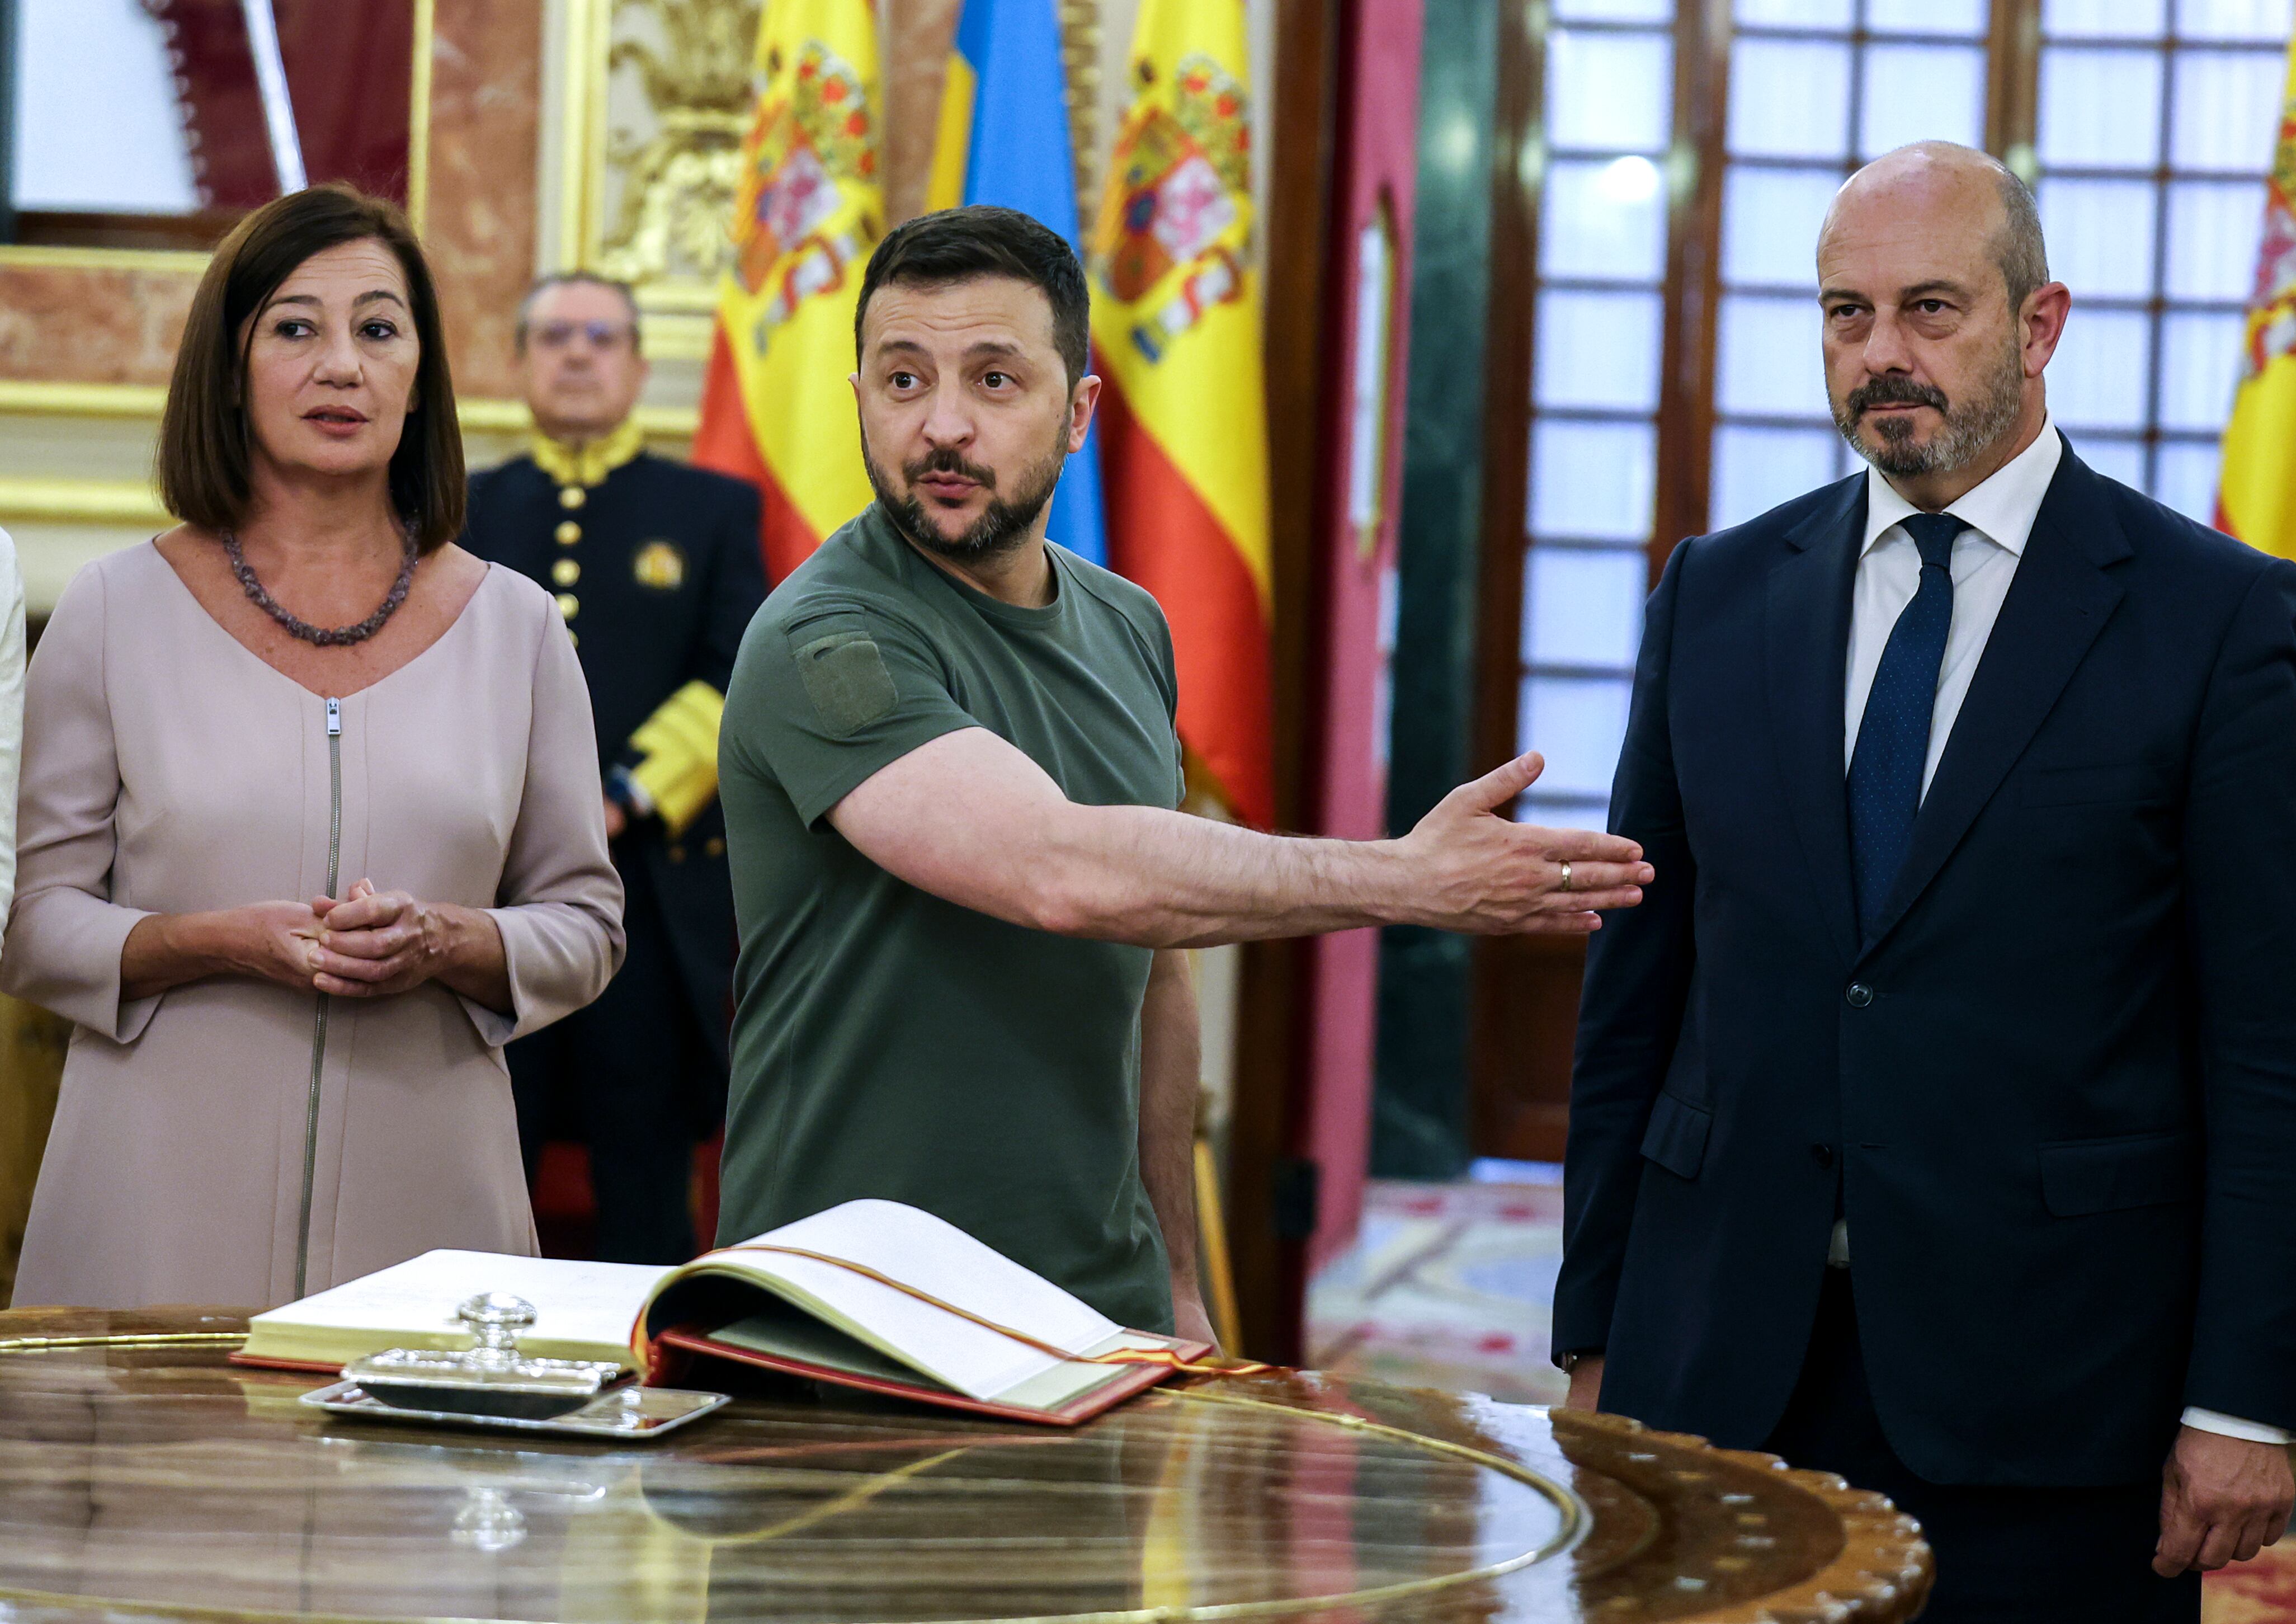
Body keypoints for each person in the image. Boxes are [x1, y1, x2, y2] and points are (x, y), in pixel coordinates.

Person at [1552, 142, 2296, 1622]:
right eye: (1843, 316)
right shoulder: (1714, 595)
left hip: (2051, 1388)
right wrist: (1592, 1324)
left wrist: (2242, 1401)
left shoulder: (2210, 620)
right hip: (1722, 1357)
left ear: (2037, 325)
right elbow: (1638, 998)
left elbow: (2277, 1048)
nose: (1881, 357)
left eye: (1929, 310)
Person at [719, 205, 1652, 1347]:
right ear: (858, 398)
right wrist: (1404, 880)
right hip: (846, 1318)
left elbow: (1155, 979)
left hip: (1089, 1317)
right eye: (903, 380)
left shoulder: (1128, 627)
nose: (942, 426)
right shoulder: (824, 639)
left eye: (994, 381)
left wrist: (1176, 1282)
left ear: (1078, 413)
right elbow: (1059, 872)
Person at [1, 184, 626, 1310]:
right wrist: (211, 941)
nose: (343, 364)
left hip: (434, 1232)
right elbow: (34, 923)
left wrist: (451, 938)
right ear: (228, 368)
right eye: (296, 328)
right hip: (150, 1215)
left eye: (379, 330)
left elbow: (585, 925)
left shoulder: (518, 626)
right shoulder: (111, 610)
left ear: (419, 377)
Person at [461, 274, 766, 1265]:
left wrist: (623, 795)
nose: (579, 354)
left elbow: (736, 672)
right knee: (477, 1169)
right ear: (519, 362)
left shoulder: (713, 510)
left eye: (602, 336)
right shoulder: (459, 509)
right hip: (491, 892)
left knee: (646, 1194)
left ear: (638, 365)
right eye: (554, 335)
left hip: (650, 906)